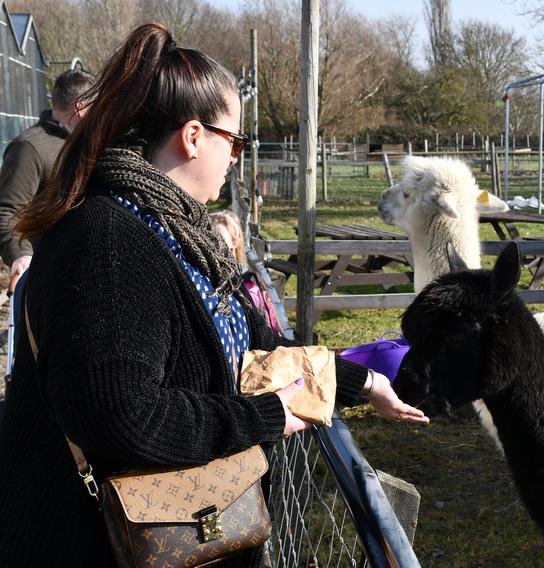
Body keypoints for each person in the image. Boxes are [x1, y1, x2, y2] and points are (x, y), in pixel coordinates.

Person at [0, 23, 427, 567]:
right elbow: (121, 415)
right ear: (194, 136)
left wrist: (362, 382)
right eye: (236, 141)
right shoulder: (111, 242)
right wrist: (265, 417)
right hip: (91, 541)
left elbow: (258, 340)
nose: (237, 158)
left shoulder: (173, 231)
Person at [0, 69, 94, 295]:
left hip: (89, 268)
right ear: (81, 108)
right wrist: (21, 256)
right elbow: (8, 210)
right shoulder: (29, 148)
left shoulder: (90, 142)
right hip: (52, 277)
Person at [210, 209, 283, 334]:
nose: (213, 244)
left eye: (219, 238)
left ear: (234, 241)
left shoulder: (248, 286)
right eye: (209, 237)